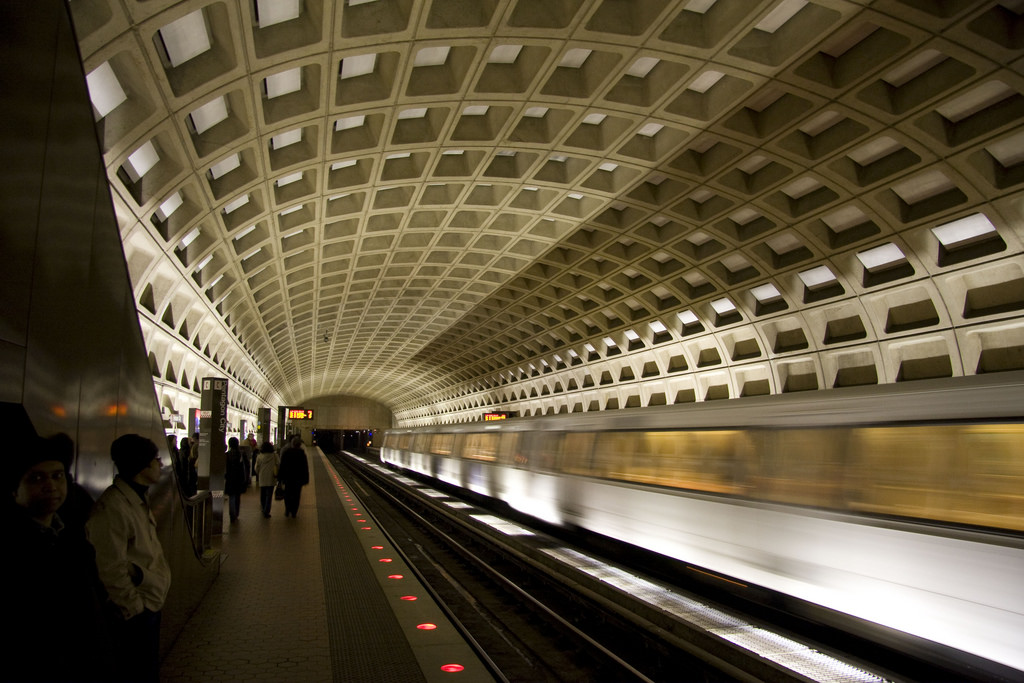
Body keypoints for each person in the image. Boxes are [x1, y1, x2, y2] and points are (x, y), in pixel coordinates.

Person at [5, 434, 114, 682]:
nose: (51, 486)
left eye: (57, 476)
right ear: (14, 490)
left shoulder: (73, 538)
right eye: (36, 478)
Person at [87, 434, 172, 683]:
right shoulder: (112, 507)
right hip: (136, 611)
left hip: (149, 602)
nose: (161, 464)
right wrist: (134, 608)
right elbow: (109, 567)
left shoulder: (136, 499)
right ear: (142, 466)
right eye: (156, 459)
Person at [276, 435, 309, 518]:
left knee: (287, 494)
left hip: (288, 478)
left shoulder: (286, 453)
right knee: (296, 495)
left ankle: (287, 509)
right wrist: (306, 479)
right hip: (298, 479)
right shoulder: (302, 454)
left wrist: (280, 478)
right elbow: (305, 467)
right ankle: (294, 511)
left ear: (292, 444)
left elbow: (282, 466)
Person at [254, 441, 278, 518]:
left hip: (262, 477)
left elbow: (256, 467)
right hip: (271, 477)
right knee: (269, 495)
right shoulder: (274, 456)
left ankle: (263, 507)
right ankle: (266, 511)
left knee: (263, 494)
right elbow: (278, 464)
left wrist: (259, 473)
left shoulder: (259, 457)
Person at [224, 436, 245, 523]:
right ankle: (235, 514)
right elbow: (244, 467)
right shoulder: (240, 454)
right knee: (237, 497)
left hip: (229, 479)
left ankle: (232, 515)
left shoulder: (227, 455)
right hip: (239, 478)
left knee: (231, 497)